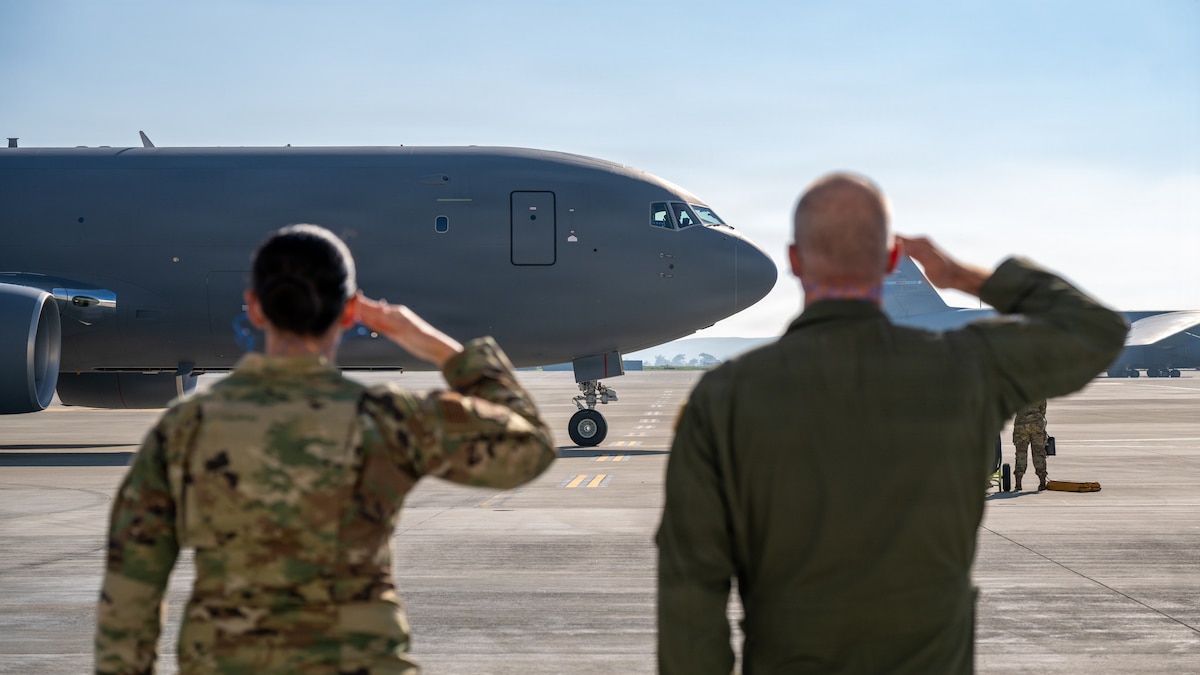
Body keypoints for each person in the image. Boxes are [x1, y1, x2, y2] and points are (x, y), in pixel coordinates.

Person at [656, 173, 1127, 674]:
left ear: (794, 261)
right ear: (890, 261)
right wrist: (966, 277)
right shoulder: (966, 368)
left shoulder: (724, 398)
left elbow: (690, 591)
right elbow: (1096, 330)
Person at [95, 224, 556, 674]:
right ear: (350, 311)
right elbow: (531, 445)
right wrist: (434, 346)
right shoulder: (385, 417)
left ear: (254, 307)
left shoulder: (185, 428)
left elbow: (130, 592)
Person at [1013, 399, 1049, 491]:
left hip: (1021, 423)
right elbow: (1043, 409)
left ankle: (1018, 483)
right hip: (1037, 423)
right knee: (1039, 452)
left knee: (1021, 453)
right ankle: (1042, 482)